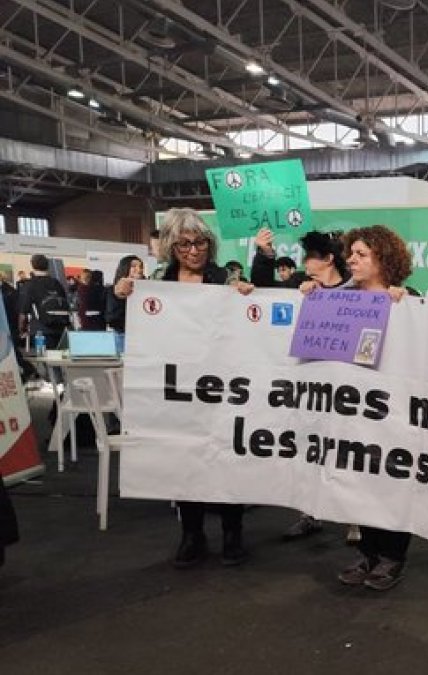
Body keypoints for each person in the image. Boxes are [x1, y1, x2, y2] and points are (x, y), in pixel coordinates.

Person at [113, 208, 255, 568]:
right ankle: (191, 534)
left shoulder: (227, 277)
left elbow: (251, 326)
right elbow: (122, 323)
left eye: (200, 242)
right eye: (184, 244)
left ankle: (232, 531)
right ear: (170, 247)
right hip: (175, 387)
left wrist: (247, 296)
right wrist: (122, 294)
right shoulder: (158, 279)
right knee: (184, 460)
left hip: (221, 386)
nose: (194, 250)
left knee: (226, 458)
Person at [309, 225, 415, 592]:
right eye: (349, 253)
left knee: (392, 483)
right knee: (362, 483)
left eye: (360, 254)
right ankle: (369, 553)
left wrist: (406, 307)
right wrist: (307, 295)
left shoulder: (408, 299)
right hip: (352, 411)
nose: (350, 259)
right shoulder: (338, 298)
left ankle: (392, 557)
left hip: (392, 412)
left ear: (383, 259)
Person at [251, 228, 351, 542]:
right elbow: (263, 289)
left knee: (348, 451)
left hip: (346, 386)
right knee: (308, 449)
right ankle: (309, 513)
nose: (305, 262)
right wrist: (264, 254)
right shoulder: (297, 286)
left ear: (329, 259)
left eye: (310, 256)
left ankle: (355, 520)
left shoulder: (355, 290)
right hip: (308, 384)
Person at [18, 254, 71, 349]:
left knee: (43, 360)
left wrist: (22, 330)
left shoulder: (30, 285)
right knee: (57, 360)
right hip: (60, 329)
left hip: (41, 330)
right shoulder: (57, 283)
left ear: (33, 266)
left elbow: (23, 312)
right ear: (47, 266)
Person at [105, 255, 144, 333]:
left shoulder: (146, 287)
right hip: (123, 333)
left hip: (143, 333)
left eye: (141, 266)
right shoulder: (113, 289)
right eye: (133, 266)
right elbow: (111, 318)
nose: (139, 269)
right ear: (125, 268)